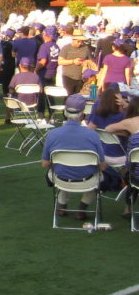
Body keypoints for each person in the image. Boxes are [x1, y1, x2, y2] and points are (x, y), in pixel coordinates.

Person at [42, 93, 106, 221]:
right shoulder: (92, 135)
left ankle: (62, 206)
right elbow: (102, 166)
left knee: (59, 169)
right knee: (103, 176)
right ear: (83, 114)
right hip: (87, 179)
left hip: (61, 179)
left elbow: (45, 163)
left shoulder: (53, 134)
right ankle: (81, 209)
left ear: (65, 112)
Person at [59, 29, 92, 96]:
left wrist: (85, 63)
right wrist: (73, 61)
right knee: (68, 96)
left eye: (82, 41)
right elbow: (60, 61)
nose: (80, 43)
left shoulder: (86, 48)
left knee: (79, 97)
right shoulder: (66, 48)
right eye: (78, 41)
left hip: (81, 77)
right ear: (73, 40)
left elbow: (90, 61)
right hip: (68, 77)